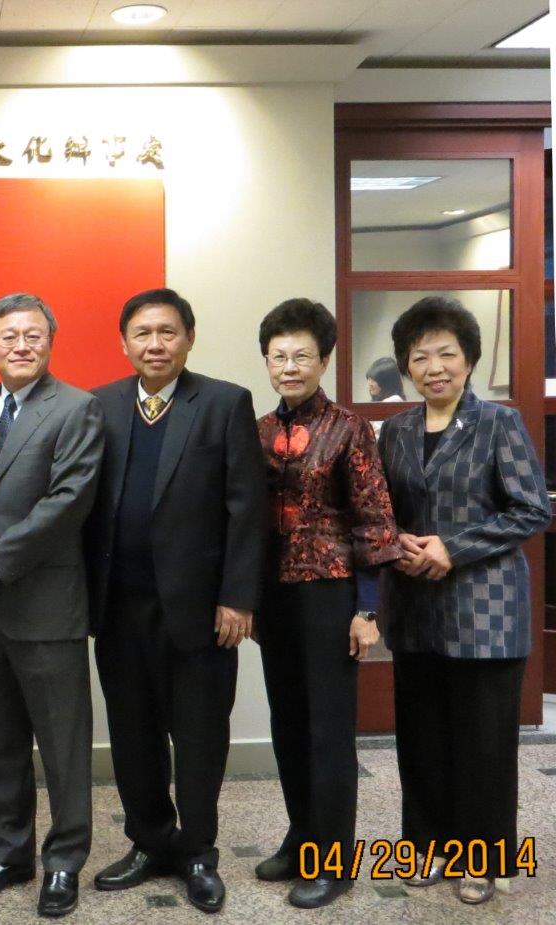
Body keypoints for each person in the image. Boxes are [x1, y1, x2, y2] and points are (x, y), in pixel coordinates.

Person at [85, 288, 266, 914]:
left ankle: (197, 853)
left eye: (167, 332)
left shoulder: (223, 403)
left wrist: (238, 598)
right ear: (124, 343)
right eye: (142, 333)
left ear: (189, 338)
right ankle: (150, 841)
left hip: (200, 609)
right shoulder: (102, 405)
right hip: (119, 606)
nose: (155, 344)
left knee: (199, 738)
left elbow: (247, 508)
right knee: (132, 734)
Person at [377, 296, 549, 906]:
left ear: (469, 359)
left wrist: (453, 547)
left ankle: (484, 858)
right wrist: (395, 543)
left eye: (446, 353)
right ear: (406, 366)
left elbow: (532, 509)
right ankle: (425, 846)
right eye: (419, 356)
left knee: (483, 744)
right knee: (421, 739)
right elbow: (382, 510)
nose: (434, 367)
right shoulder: (396, 430)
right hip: (415, 608)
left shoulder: (499, 422)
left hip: (487, 611)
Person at [0, 293, 104, 919]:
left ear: (50, 342)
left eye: (33, 335)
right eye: (8, 335)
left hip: (46, 604)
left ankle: (64, 860)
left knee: (63, 745)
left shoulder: (76, 408)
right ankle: (8, 852)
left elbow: (67, 503)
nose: (21, 345)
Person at [252, 300, 402, 909]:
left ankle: (333, 858)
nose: (289, 367)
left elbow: (375, 520)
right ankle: (301, 838)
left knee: (328, 732)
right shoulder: (259, 430)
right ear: (267, 361)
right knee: (288, 724)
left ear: (324, 360)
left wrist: (367, 611)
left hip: (331, 595)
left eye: (302, 356)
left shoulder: (349, 428)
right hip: (274, 598)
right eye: (278, 356)